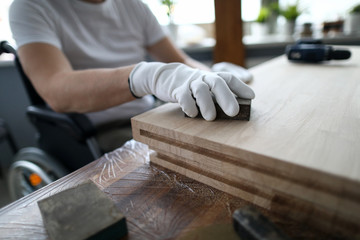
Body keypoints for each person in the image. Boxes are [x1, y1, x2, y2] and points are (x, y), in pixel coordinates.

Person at [9, 0, 255, 152]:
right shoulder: (31, 6)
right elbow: (55, 89)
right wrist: (144, 76)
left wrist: (212, 75)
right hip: (100, 132)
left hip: (151, 115)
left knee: (226, 141)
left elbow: (180, 61)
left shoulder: (133, 5)